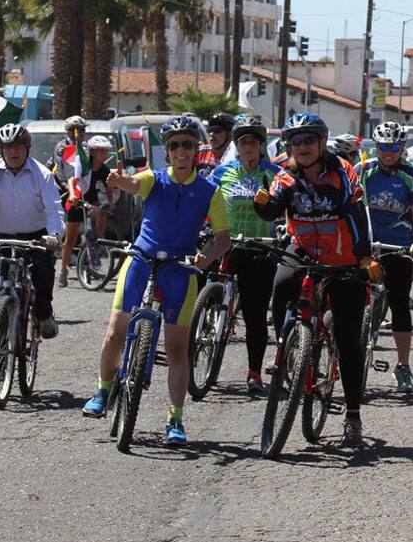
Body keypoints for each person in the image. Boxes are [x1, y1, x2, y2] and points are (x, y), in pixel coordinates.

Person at [81, 116, 231, 446]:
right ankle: (103, 390)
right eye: (174, 145)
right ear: (168, 151)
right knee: (115, 333)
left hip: (181, 270)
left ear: (196, 149)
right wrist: (120, 181)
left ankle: (175, 420)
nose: (181, 151)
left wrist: (206, 256)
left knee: (177, 349)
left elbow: (223, 238)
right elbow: (136, 184)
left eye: (187, 144)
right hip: (142, 261)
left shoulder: (210, 191)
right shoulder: (155, 179)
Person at [253, 112, 379, 448]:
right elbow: (272, 208)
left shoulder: (342, 172)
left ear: (322, 143)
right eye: (296, 141)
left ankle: (352, 416)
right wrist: (262, 203)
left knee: (348, 340)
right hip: (305, 248)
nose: (303, 146)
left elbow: (355, 214)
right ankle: (288, 344)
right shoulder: (285, 176)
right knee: (281, 283)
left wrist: (363, 257)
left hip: (344, 256)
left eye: (309, 139)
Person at [0, 123, 65, 352]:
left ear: (27, 148)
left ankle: (44, 314)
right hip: (3, 240)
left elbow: (54, 210)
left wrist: (54, 236)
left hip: (37, 239)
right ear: (1, 150)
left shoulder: (42, 174)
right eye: (8, 147)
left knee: (43, 274)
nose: (13, 152)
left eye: (18, 146)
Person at [209, 119, 281, 394]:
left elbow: (287, 205)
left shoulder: (274, 174)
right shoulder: (221, 173)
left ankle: (254, 373)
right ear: (236, 146)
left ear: (261, 146)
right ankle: (200, 331)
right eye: (243, 142)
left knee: (255, 314)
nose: (248, 147)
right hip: (226, 245)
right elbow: (205, 201)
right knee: (200, 286)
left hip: (260, 249)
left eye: (253, 142)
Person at [358, 120, 413, 392]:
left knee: (399, 303)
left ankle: (403, 366)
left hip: (397, 247)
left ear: (402, 148)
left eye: (394, 147)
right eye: (384, 147)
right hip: (365, 246)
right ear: (376, 147)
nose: (388, 152)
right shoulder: (362, 171)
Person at [58, 135, 114, 286]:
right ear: (93, 152)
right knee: (70, 239)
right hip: (77, 201)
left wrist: (109, 201)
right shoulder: (83, 165)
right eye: (102, 151)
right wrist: (72, 195)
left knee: (101, 215)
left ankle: (95, 247)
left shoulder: (104, 170)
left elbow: (109, 189)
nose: (105, 154)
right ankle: (63, 270)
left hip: (92, 202)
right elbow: (72, 180)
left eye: (106, 151)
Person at [197, 113, 236, 178]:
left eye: (217, 130)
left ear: (230, 134)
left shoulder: (236, 156)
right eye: (209, 130)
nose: (211, 134)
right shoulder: (200, 151)